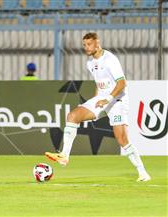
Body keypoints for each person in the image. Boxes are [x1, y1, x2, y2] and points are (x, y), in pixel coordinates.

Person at [45, 32, 151, 182]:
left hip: (117, 101)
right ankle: (64, 156)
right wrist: (95, 100)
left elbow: (122, 84)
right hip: (101, 99)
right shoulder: (90, 63)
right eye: (84, 45)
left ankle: (143, 172)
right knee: (73, 116)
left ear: (97, 43)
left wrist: (107, 99)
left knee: (122, 139)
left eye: (89, 44)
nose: (86, 47)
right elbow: (99, 83)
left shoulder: (110, 60)